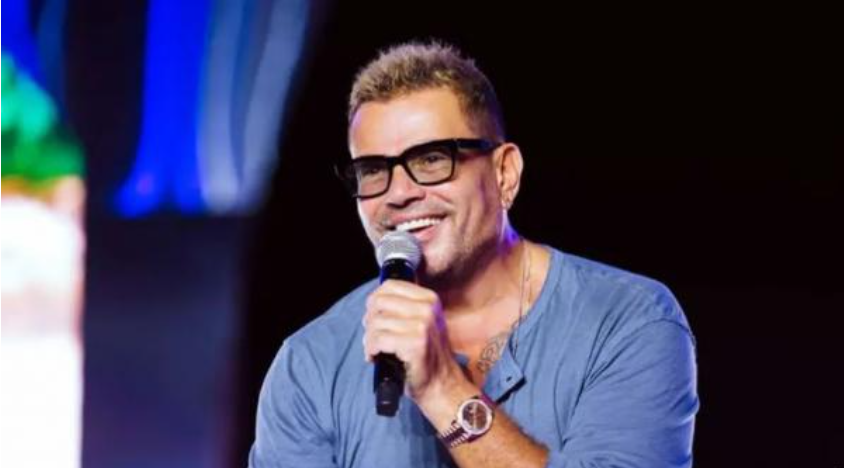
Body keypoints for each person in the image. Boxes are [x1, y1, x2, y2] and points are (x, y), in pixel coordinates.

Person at [248, 41, 699, 468]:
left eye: (431, 159)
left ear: (505, 173)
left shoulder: (628, 321)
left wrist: (442, 388)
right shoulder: (309, 364)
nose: (399, 193)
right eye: (373, 170)